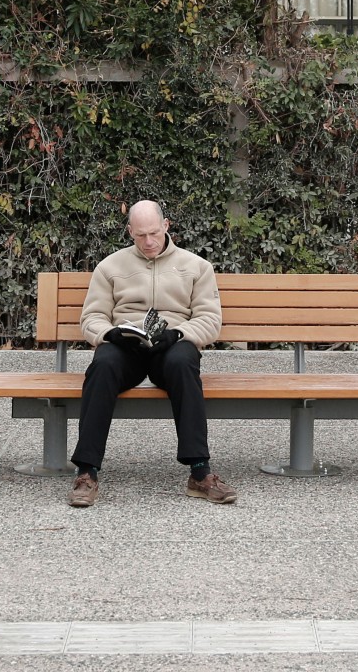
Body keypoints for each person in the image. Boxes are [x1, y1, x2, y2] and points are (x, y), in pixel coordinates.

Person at [67, 200, 236, 508]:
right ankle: (86, 472)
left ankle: (200, 472)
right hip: (126, 347)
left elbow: (210, 320)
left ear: (166, 226)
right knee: (102, 364)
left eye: (154, 233)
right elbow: (91, 318)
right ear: (130, 231)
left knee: (184, 363)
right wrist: (111, 334)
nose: (148, 242)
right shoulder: (110, 266)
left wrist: (178, 334)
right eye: (140, 235)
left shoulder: (197, 266)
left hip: (172, 346)